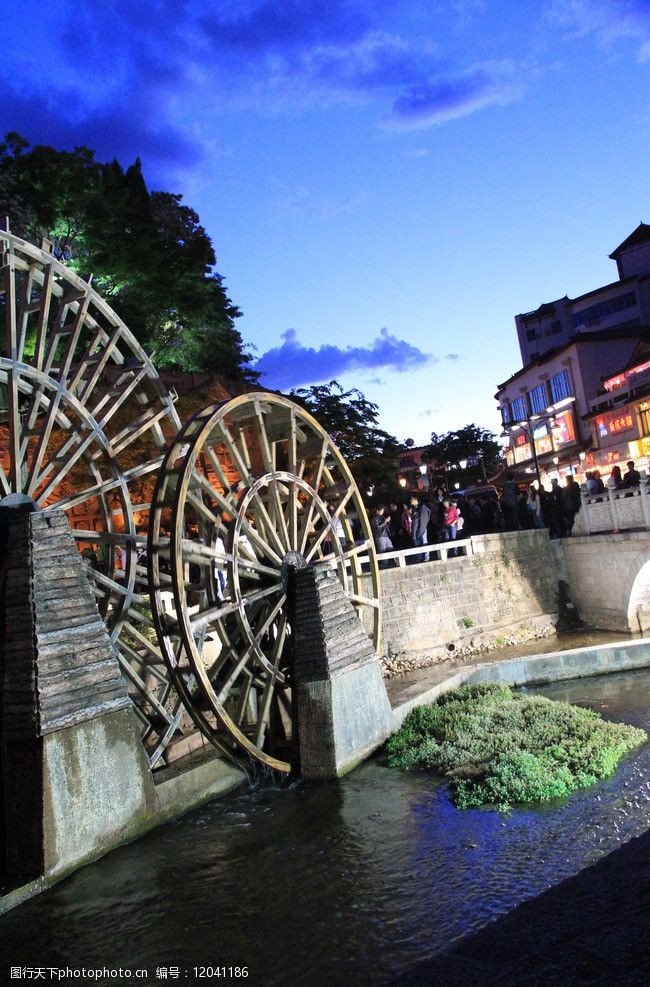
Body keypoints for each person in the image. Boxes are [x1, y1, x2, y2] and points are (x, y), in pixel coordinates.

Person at [410, 495, 431, 562]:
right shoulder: (413, 509)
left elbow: (424, 519)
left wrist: (422, 528)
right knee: (417, 543)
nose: (411, 501)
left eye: (412, 500)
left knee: (424, 541)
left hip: (422, 527)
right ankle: (419, 557)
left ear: (416, 500)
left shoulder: (422, 507)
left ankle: (426, 556)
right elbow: (413, 519)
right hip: (415, 528)